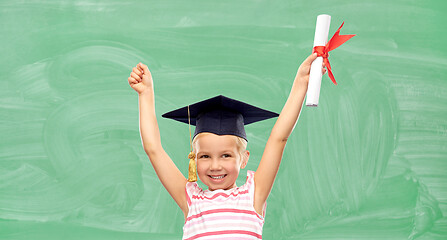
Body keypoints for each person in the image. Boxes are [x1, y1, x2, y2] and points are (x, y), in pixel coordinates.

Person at [127, 53, 326, 239]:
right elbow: (153, 149)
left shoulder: (253, 195)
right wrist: (145, 94)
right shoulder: (191, 200)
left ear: (244, 158)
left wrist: (301, 84)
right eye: (205, 156)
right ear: (194, 159)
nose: (215, 166)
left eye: (226, 155)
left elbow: (278, 139)